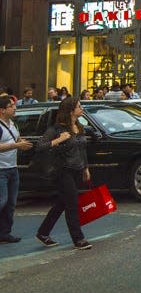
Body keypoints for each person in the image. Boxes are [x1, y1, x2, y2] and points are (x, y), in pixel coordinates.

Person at [34, 97, 92, 250]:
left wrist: (86, 168)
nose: (82, 109)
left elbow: (82, 149)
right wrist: (58, 140)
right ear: (71, 110)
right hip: (62, 170)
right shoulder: (57, 129)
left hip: (77, 170)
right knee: (72, 203)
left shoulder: (79, 126)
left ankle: (43, 232)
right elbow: (40, 146)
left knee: (62, 203)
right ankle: (78, 239)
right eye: (79, 106)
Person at [0, 94, 34, 243]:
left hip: (13, 169)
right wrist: (16, 145)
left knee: (11, 203)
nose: (15, 108)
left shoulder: (13, 124)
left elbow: (16, 139)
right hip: (1, 170)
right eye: (11, 106)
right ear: (1, 110)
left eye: (14, 105)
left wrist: (22, 143)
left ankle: (5, 233)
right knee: (2, 201)